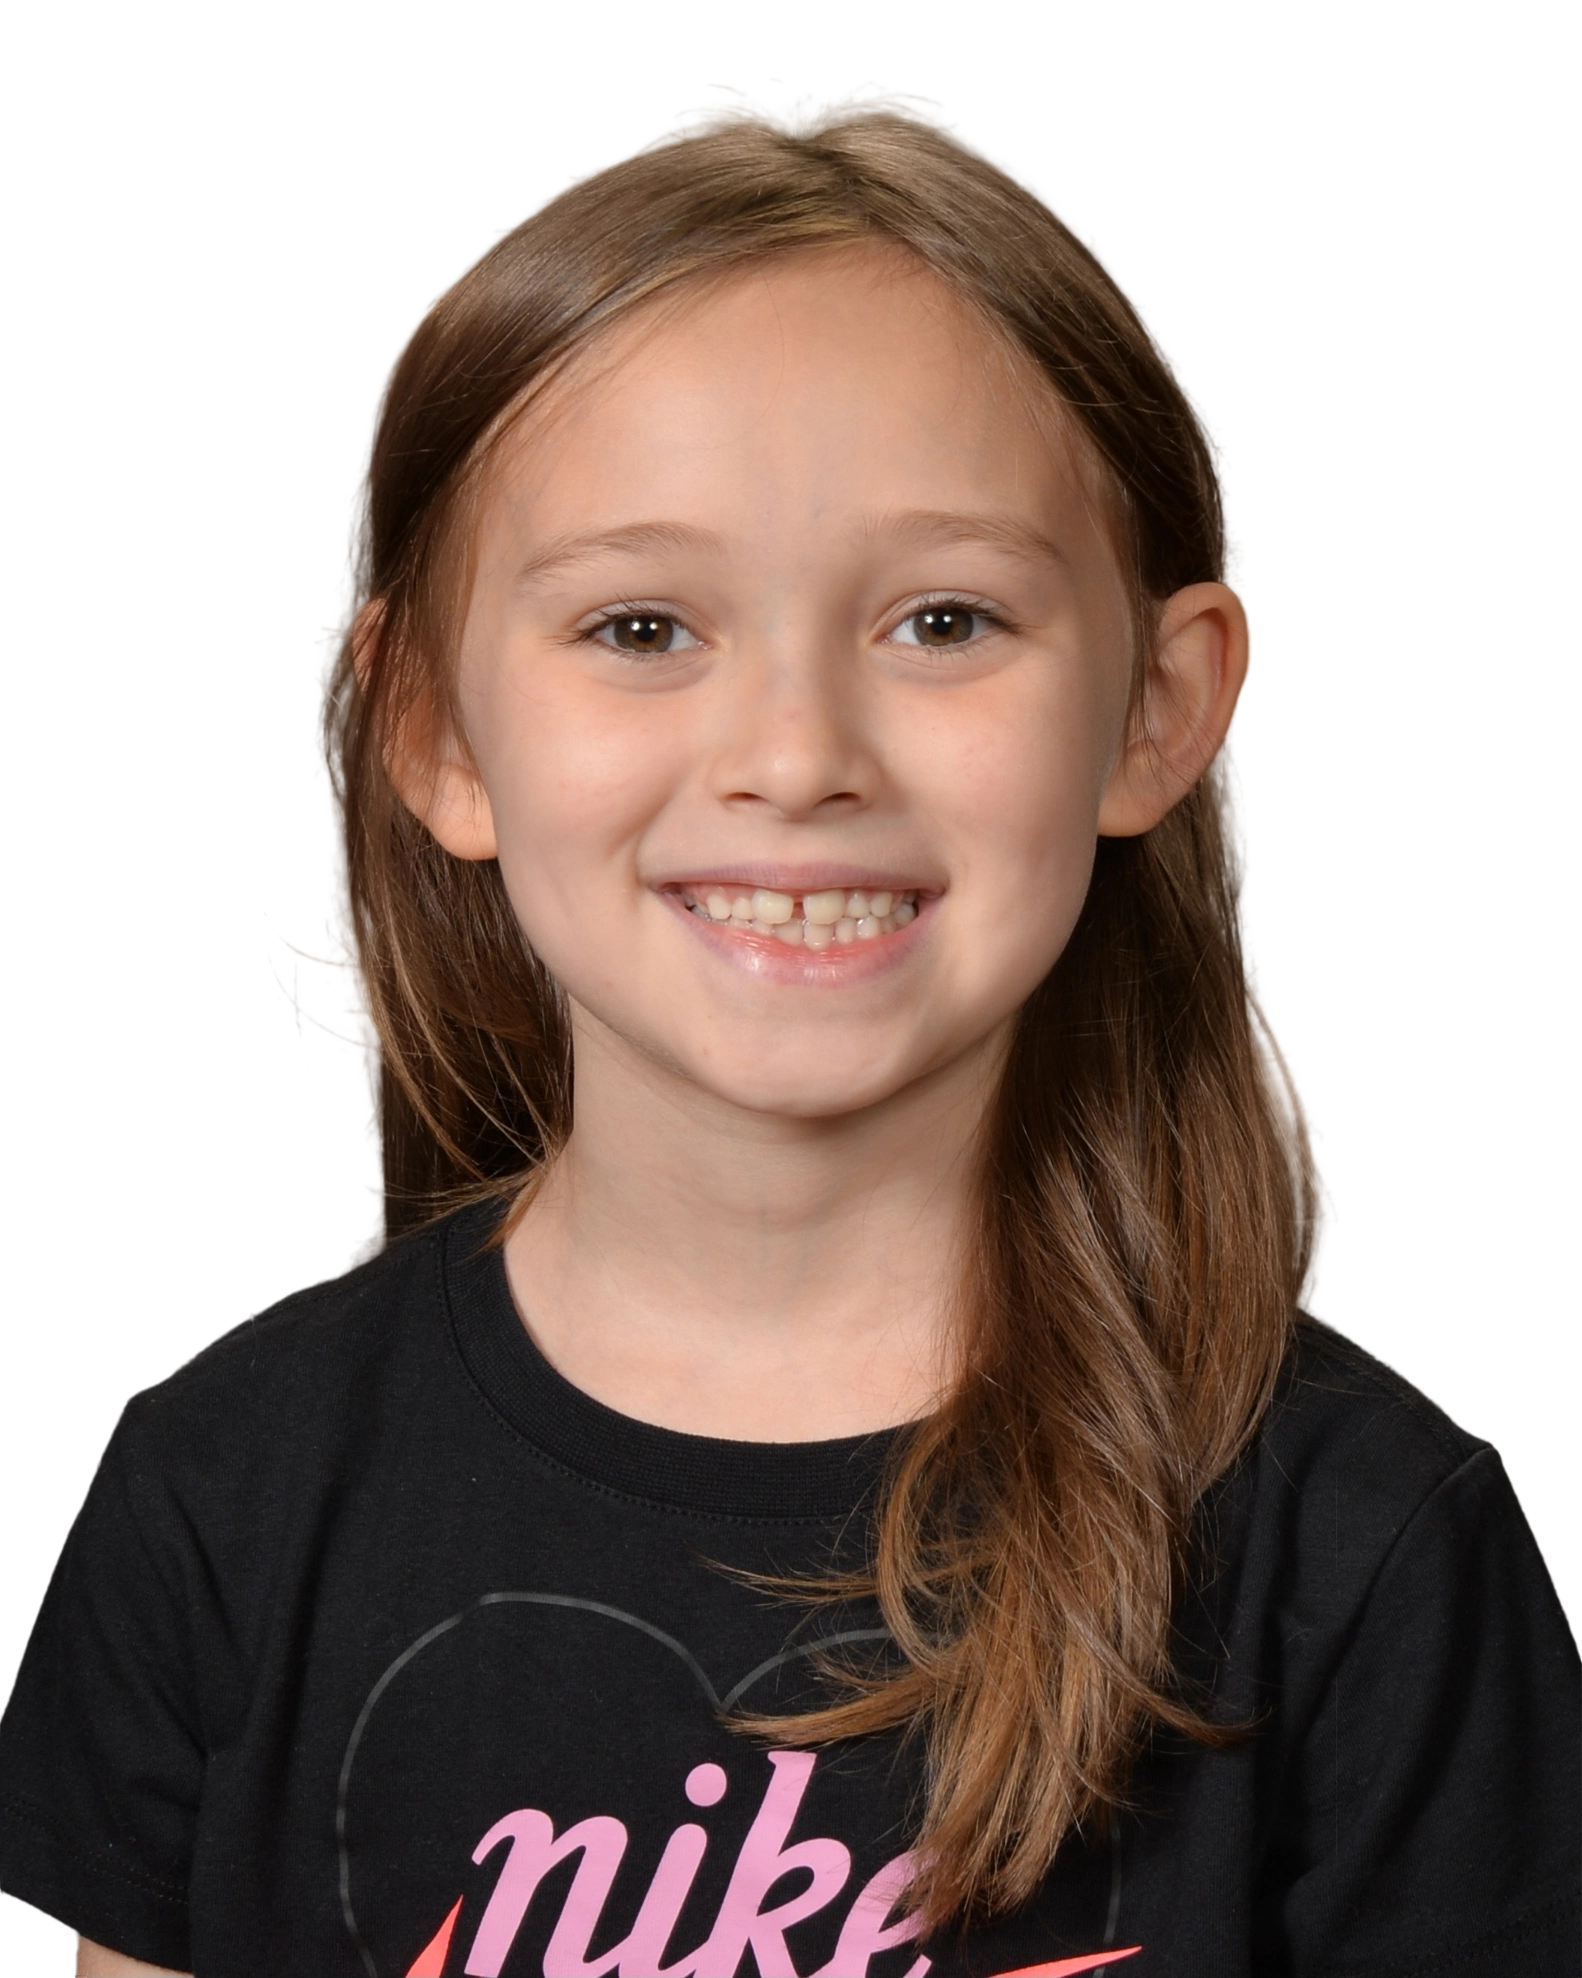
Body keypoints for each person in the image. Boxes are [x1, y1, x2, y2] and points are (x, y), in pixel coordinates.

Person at [2, 80, 1577, 1978]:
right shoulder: (220, 1499)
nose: (795, 757)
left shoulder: (1373, 1542)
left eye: (944, 620)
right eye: (641, 628)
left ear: (1158, 708)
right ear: (431, 725)